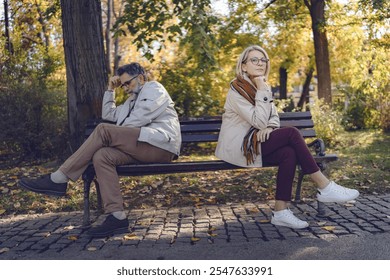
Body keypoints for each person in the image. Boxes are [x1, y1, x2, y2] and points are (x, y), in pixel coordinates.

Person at [19, 63, 181, 237]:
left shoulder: (154, 89)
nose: (125, 88)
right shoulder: (130, 102)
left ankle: (59, 178)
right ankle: (117, 216)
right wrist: (111, 90)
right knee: (102, 156)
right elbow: (108, 114)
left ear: (141, 78)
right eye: (123, 84)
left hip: (160, 146)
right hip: (141, 146)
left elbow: (137, 120)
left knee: (103, 130)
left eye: (128, 83)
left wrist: (111, 136)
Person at [215, 45, 359, 229]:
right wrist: (262, 102)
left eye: (263, 60)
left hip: (255, 143)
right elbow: (258, 120)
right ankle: (324, 186)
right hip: (240, 148)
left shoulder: (262, 87)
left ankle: (281, 211)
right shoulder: (237, 91)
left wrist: (270, 126)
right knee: (291, 133)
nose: (260, 63)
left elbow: (272, 116)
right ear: (243, 66)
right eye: (254, 60)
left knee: (289, 153)